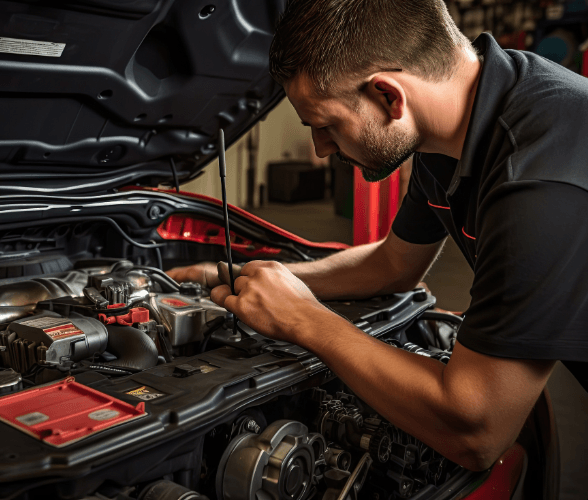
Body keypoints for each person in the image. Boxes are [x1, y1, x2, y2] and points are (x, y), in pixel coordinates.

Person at [167, 0, 588, 478]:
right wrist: (241, 276)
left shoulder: (538, 182)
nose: (321, 151)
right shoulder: (452, 127)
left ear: (389, 96)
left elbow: (478, 432)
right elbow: (393, 264)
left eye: (325, 126)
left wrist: (306, 320)